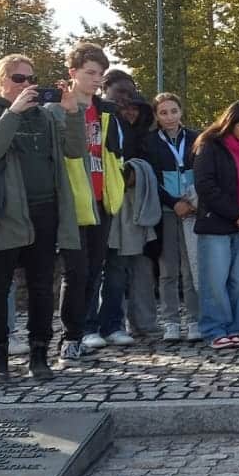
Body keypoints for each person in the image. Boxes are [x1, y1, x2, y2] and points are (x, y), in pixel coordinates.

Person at [0, 54, 86, 382]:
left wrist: (72, 110)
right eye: (18, 78)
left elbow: (75, 150)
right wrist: (13, 111)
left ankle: (39, 354)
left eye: (30, 79)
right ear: (1, 80)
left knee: (41, 287)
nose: (27, 85)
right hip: (2, 213)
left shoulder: (45, 116)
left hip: (44, 211)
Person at [58, 43, 125, 361]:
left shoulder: (107, 111)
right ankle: (71, 335)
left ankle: (89, 328)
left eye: (100, 74)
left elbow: (115, 154)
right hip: (71, 200)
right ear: (73, 73)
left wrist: (118, 188)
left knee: (95, 268)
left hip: (102, 198)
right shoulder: (57, 108)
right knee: (75, 271)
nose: (97, 79)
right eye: (90, 73)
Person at [192, 100, 239, 349]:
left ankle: (236, 327)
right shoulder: (209, 145)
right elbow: (205, 185)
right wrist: (235, 212)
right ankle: (215, 329)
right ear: (230, 122)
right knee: (215, 279)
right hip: (216, 225)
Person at [98, 73, 159, 345]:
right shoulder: (99, 119)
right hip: (100, 199)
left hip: (131, 206)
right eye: (120, 96)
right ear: (106, 90)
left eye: (131, 100)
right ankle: (92, 326)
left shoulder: (140, 130)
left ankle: (118, 324)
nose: (126, 104)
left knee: (122, 267)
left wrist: (134, 172)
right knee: (95, 269)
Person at [148, 92, 201, 340]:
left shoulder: (196, 138)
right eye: (163, 113)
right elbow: (151, 180)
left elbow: (202, 173)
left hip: (192, 210)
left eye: (173, 111)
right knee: (168, 269)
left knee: (191, 267)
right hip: (167, 211)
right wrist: (172, 202)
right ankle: (170, 320)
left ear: (181, 112)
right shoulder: (150, 142)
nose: (169, 117)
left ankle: (194, 319)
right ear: (157, 116)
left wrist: (192, 202)